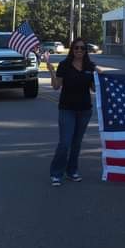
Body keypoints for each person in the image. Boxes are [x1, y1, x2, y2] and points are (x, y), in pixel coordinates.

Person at [47, 38, 100, 187]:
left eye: (82, 48)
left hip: (84, 110)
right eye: (76, 48)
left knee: (76, 143)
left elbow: (94, 88)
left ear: (85, 51)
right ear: (72, 49)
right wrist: (51, 70)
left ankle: (72, 171)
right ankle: (56, 173)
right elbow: (56, 86)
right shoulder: (64, 65)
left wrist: (100, 75)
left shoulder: (90, 67)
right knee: (65, 143)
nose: (79, 51)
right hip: (67, 109)